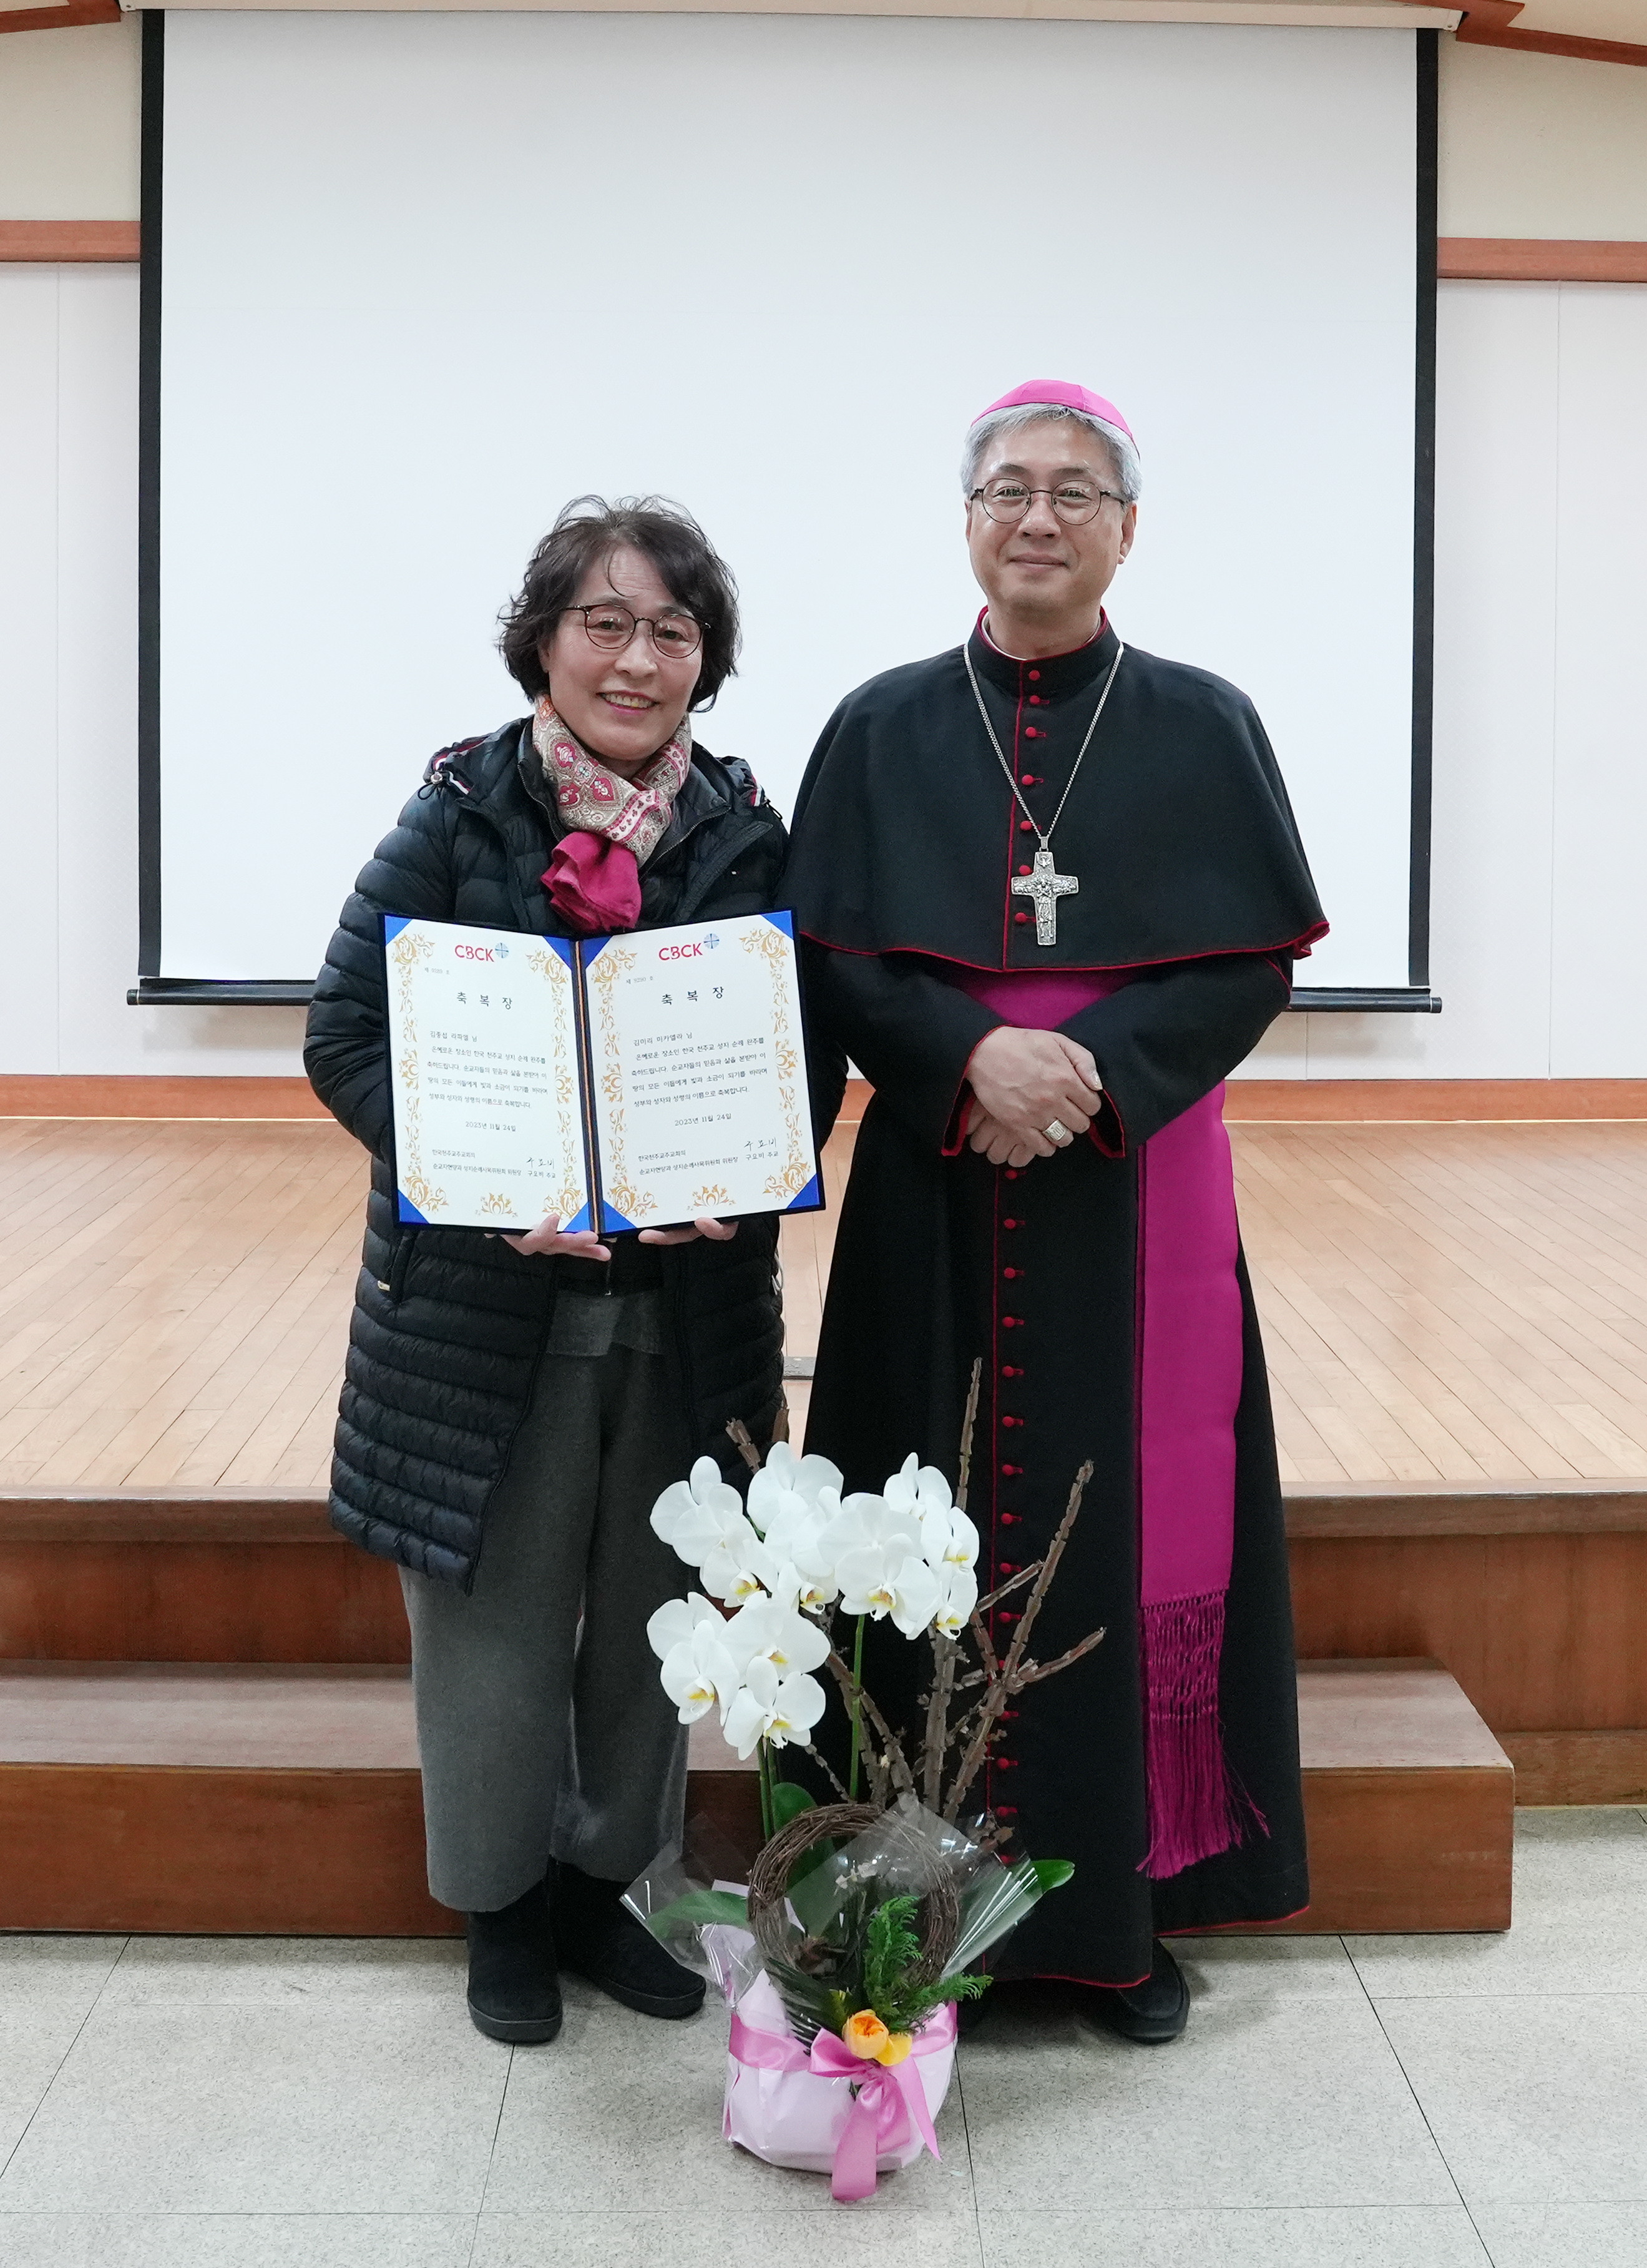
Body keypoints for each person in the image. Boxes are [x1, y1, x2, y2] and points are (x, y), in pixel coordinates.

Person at [783, 381, 1327, 2042]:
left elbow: (1244, 960)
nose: (1039, 515)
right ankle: (896, 1922)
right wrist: (970, 1063)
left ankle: (1111, 1930)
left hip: (1132, 1180)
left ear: (1125, 527)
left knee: (1127, 1531)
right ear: (967, 520)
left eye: (1075, 490)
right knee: (912, 1510)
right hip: (936, 1186)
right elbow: (837, 956)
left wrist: (1087, 1072)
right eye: (1009, 487)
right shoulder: (881, 727)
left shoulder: (1204, 722)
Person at [306, 496, 790, 2045]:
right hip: (483, 1307)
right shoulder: (457, 812)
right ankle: (504, 1913)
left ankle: (608, 1894)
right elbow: (345, 1038)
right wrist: (466, 1182)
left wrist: (746, 1162)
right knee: (495, 1632)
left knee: (656, 1624)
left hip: (681, 1306)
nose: (636, 659)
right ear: (543, 641)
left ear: (704, 661)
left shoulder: (742, 825)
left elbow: (795, 1043)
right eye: (605, 622)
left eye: (670, 629)